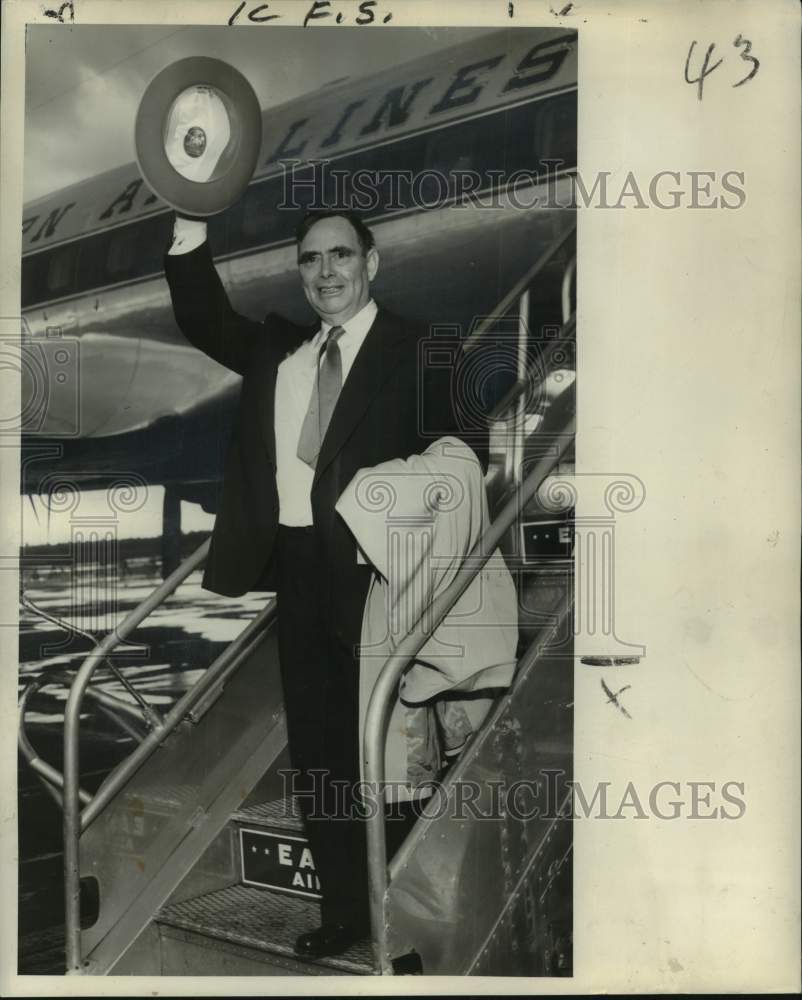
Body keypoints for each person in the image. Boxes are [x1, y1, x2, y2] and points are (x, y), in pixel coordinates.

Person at [164, 207, 482, 959]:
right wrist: (188, 218)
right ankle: (347, 909)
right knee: (320, 752)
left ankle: (402, 910)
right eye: (311, 260)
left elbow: (463, 454)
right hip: (302, 574)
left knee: (395, 751)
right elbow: (203, 313)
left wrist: (402, 527)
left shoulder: (422, 345)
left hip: (386, 573)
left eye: (342, 255)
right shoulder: (279, 351)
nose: (327, 271)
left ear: (373, 262)